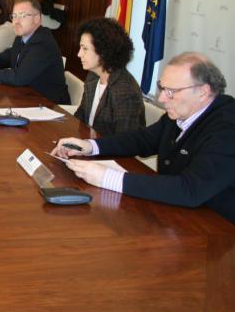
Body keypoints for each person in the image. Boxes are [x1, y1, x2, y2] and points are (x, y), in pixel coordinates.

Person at [52, 52, 235, 223]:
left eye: (171, 91)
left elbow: (190, 190)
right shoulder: (181, 112)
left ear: (203, 91)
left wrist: (107, 177)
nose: (162, 98)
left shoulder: (227, 129)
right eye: (161, 88)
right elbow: (143, 140)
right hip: (178, 214)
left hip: (217, 230)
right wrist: (90, 146)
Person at [0, 0, 69, 104]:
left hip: (50, 105)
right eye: (14, 16)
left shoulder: (42, 42)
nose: (16, 21)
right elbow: (7, 56)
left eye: (22, 16)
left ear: (37, 18)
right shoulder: (21, 36)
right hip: (26, 97)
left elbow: (18, 77)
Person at [73, 17, 145, 136]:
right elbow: (80, 117)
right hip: (87, 145)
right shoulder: (93, 76)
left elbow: (124, 143)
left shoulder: (125, 91)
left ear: (104, 51)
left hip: (107, 152)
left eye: (85, 49)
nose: (79, 54)